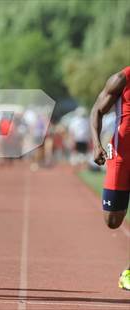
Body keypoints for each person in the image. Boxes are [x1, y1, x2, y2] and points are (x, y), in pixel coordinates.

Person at [90, 66, 130, 291]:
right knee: (112, 220)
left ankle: (129, 272)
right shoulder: (121, 79)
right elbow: (97, 110)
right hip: (122, 156)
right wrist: (96, 144)